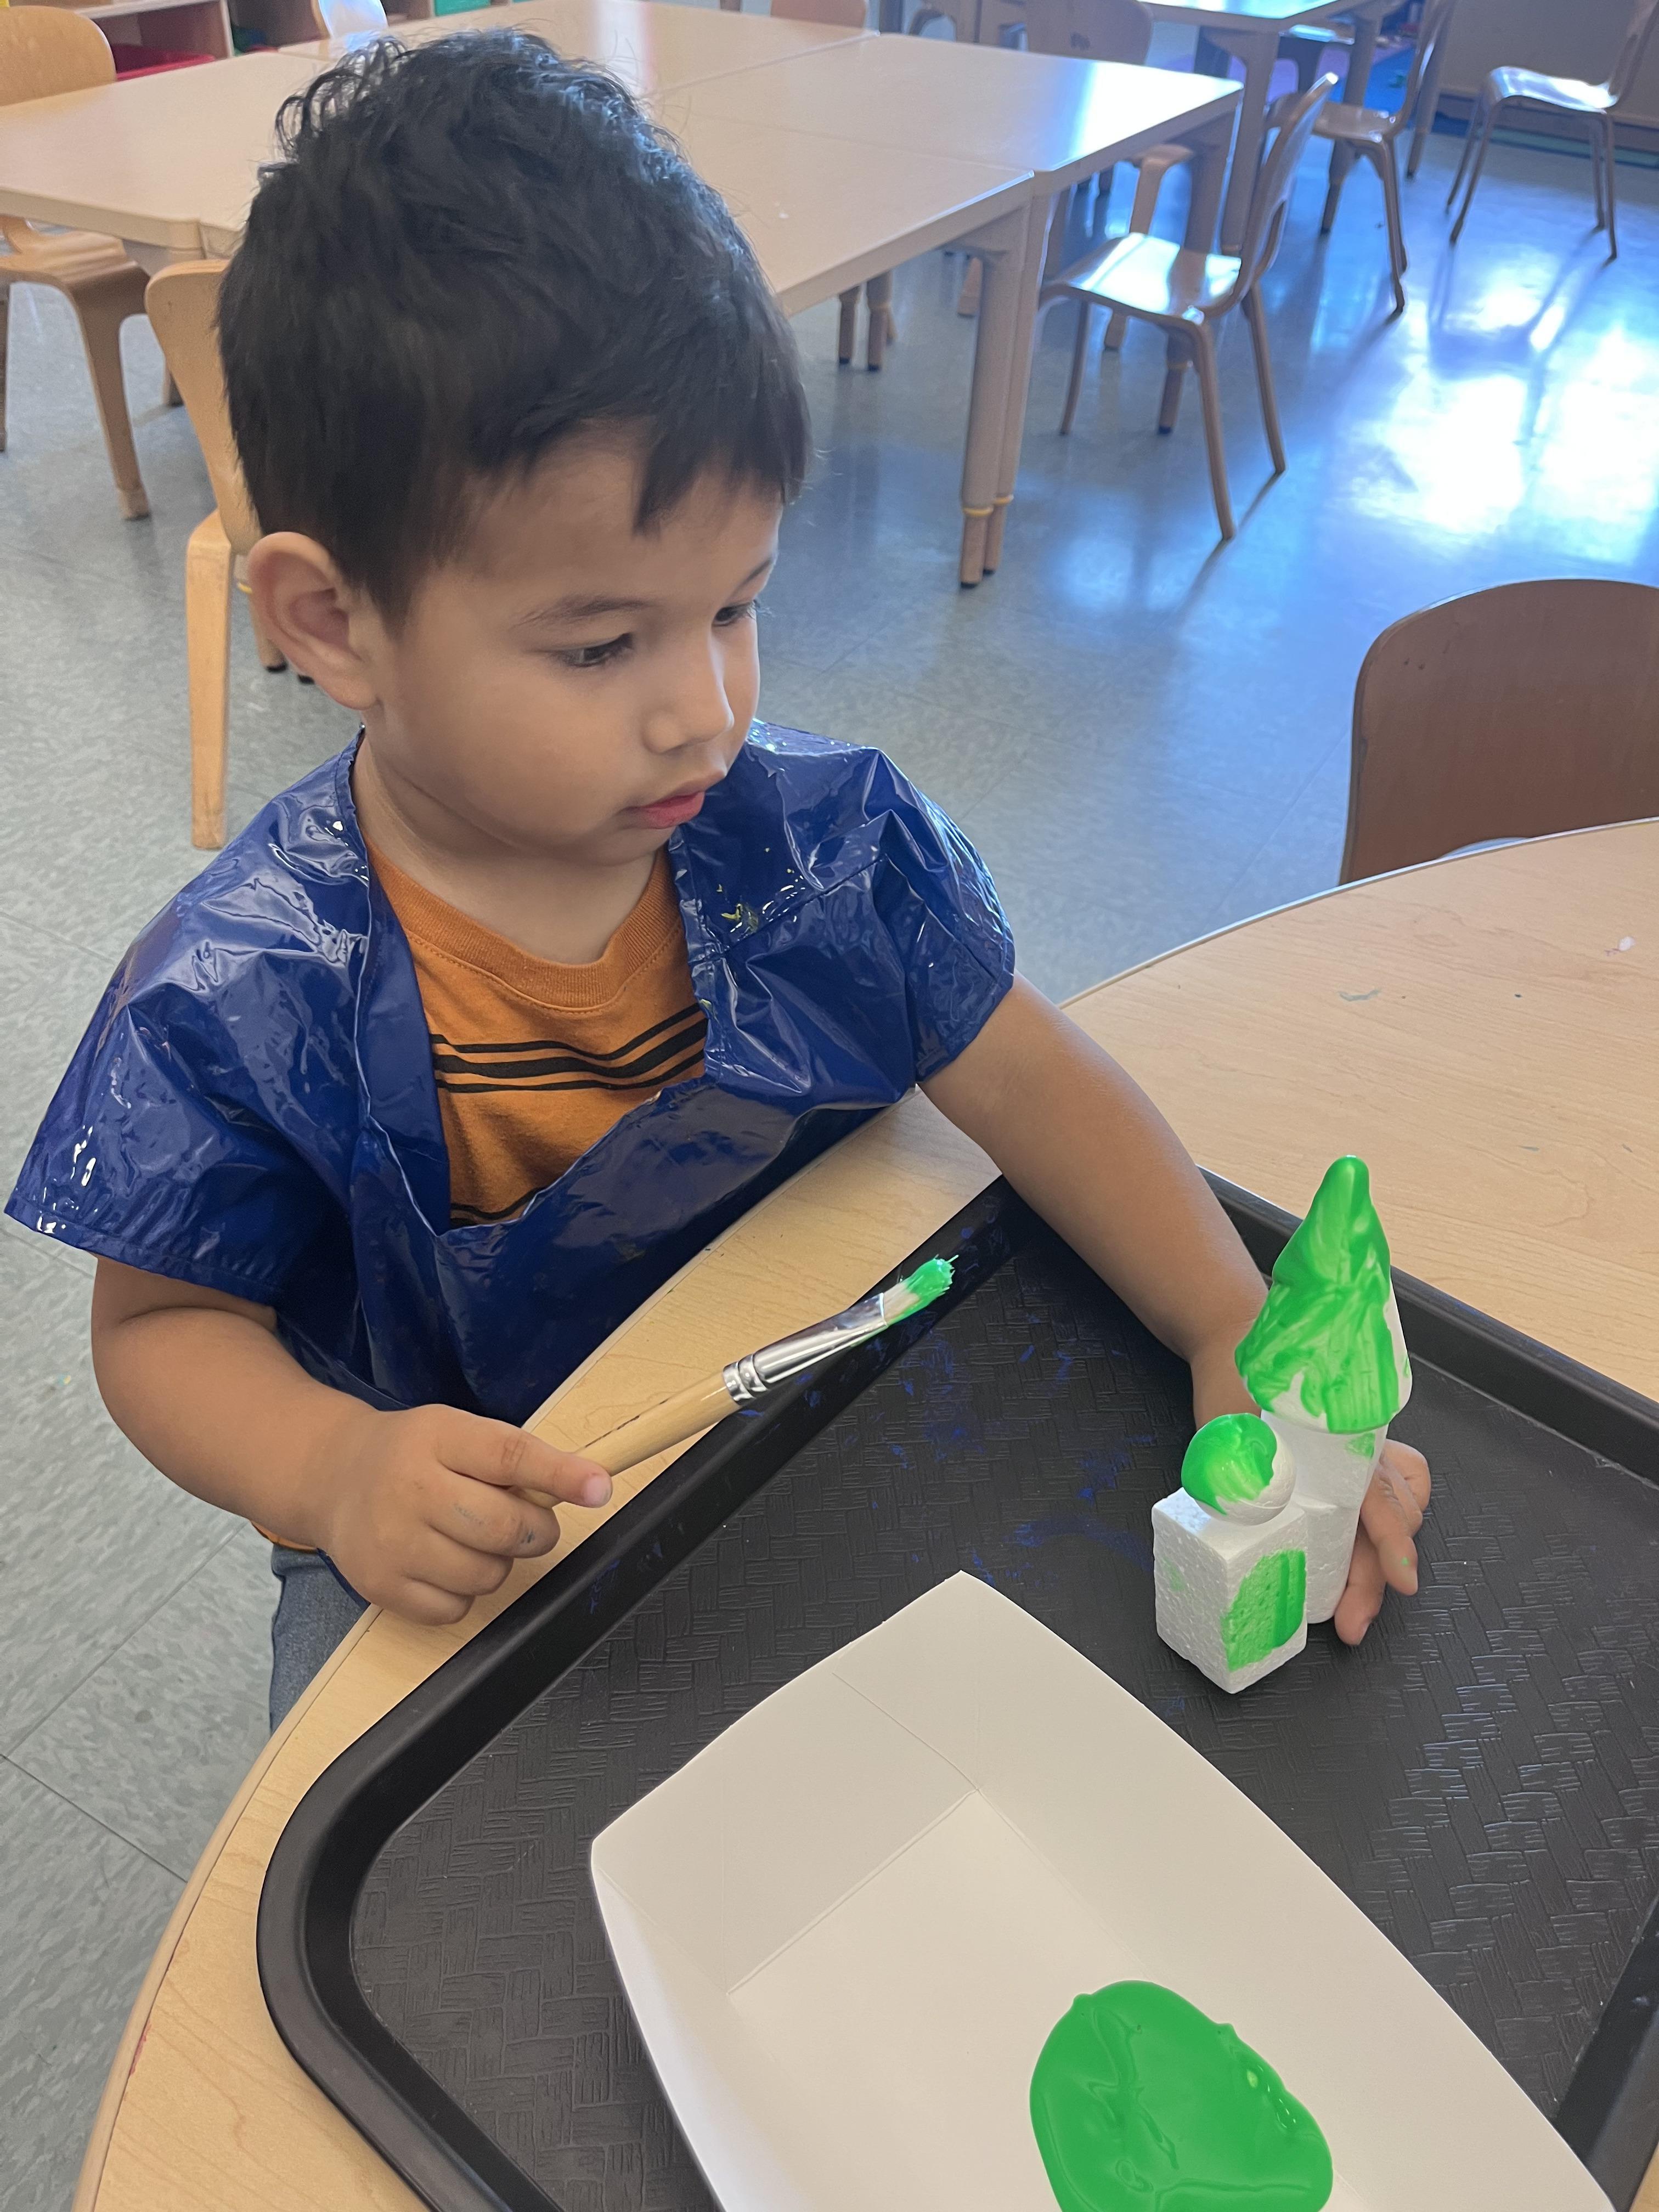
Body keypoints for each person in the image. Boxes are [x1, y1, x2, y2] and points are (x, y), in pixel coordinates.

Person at [7, 35, 1428, 1728]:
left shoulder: (814, 844)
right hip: (456, 1519)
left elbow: (1040, 1082)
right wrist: (334, 1474)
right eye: (604, 641)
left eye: (737, 604)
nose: (707, 707)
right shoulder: (246, 989)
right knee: (369, 1833)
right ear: (334, 624)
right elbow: (158, 1335)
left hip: (800, 1425)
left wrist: (1224, 1329)